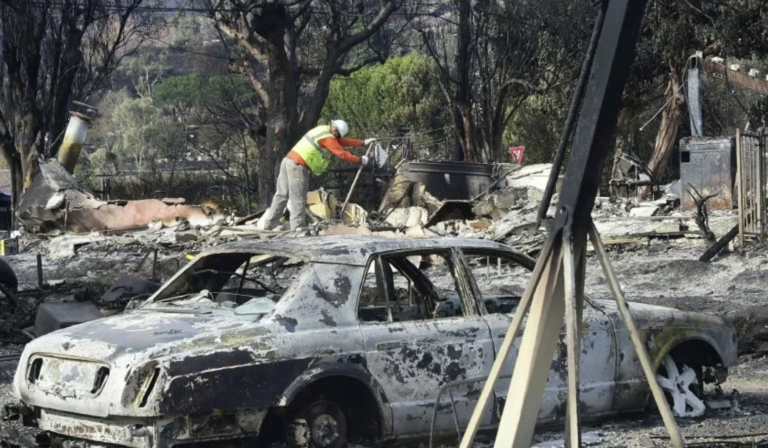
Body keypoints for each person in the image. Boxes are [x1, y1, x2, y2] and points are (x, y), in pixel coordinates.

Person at [256, 120, 376, 230]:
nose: (338, 136)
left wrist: (363, 142)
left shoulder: (322, 130)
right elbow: (342, 154)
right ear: (336, 131)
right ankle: (297, 228)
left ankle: (268, 225)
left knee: (281, 195)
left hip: (288, 161)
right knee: (298, 198)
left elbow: (341, 141)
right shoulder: (328, 138)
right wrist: (359, 160)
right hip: (298, 166)